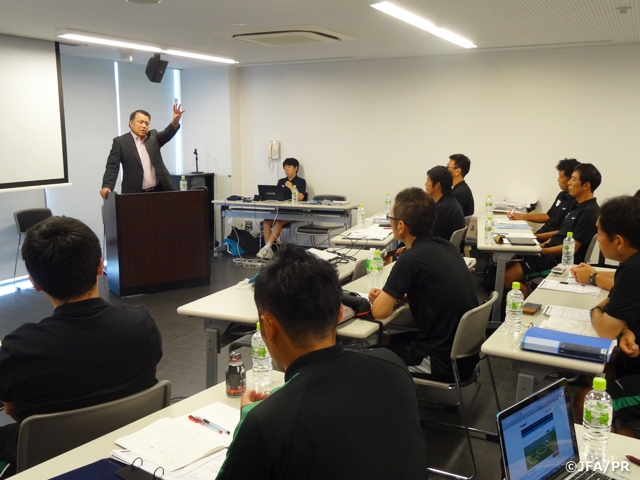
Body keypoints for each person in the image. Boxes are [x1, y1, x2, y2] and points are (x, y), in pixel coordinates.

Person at [215, 244, 428, 479]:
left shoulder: (267, 422)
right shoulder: (393, 367)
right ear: (340, 313)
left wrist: (251, 423)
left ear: (269, 326)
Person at [0, 216, 163, 476]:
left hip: (49, 457)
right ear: (99, 265)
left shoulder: (18, 348)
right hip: (129, 448)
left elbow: (12, 410)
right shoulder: (141, 323)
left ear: (34, 281)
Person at [368, 187, 478, 381]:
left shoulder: (410, 259)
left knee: (367, 357)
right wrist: (397, 295)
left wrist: (384, 300)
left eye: (390, 218)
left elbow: (379, 312)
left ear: (400, 226)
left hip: (440, 362)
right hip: (464, 355)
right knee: (383, 340)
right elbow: (432, 289)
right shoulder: (447, 247)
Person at [571, 195, 640, 432]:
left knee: (588, 403)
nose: (598, 239)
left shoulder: (633, 269)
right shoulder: (632, 263)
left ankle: (612, 451)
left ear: (618, 241)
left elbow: (605, 329)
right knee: (607, 364)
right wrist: (626, 328)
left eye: (599, 233)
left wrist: (596, 309)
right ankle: (621, 427)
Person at [504, 163, 601, 296]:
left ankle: (526, 303)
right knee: (506, 265)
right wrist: (539, 245)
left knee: (508, 275)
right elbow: (559, 234)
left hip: (558, 262)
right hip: (548, 254)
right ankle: (523, 297)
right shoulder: (576, 206)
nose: (569, 183)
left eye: (573, 179)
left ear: (586, 185)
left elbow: (572, 248)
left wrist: (541, 251)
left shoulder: (589, 212)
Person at [100, 103, 186, 198]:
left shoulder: (153, 137)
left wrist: (175, 122)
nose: (144, 126)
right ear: (131, 123)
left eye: (147, 123)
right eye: (140, 122)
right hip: (134, 193)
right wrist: (107, 186)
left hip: (159, 191)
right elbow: (112, 166)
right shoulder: (121, 142)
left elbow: (167, 133)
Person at [508, 158, 579, 239]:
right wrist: (521, 216)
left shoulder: (576, 202)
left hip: (549, 240)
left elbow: (562, 232)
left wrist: (535, 237)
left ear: (571, 179)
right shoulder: (562, 195)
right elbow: (547, 216)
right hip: (541, 235)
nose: (558, 180)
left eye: (560, 177)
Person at [257, 158, 307, 260]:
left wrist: (291, 187)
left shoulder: (301, 181)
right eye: (284, 168)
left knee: (278, 222)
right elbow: (277, 197)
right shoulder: (281, 181)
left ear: (296, 168)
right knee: (266, 221)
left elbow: (300, 197)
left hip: (294, 213)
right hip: (280, 211)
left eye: (289, 167)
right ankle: (269, 250)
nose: (286, 169)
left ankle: (266, 248)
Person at [425, 165, 465, 241]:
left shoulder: (443, 209)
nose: (425, 184)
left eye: (428, 180)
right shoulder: (449, 202)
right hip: (444, 246)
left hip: (439, 246)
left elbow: (429, 238)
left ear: (437, 185)